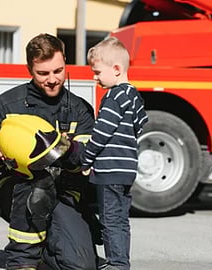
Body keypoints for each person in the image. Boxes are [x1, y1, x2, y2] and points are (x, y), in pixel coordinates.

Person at [0, 33, 101, 270]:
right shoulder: (8, 103)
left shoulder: (80, 109)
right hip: (15, 189)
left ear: (65, 63)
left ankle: (50, 248)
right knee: (36, 182)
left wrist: (62, 147)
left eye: (58, 71)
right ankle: (22, 261)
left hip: (63, 192)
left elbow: (84, 161)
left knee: (81, 266)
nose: (52, 79)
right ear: (29, 69)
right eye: (43, 73)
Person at [80, 37, 148, 270]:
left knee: (109, 220)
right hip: (127, 168)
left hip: (109, 170)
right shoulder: (134, 95)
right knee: (121, 220)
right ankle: (122, 261)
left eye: (97, 72)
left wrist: (86, 159)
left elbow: (101, 132)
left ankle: (116, 264)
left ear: (116, 69)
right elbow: (141, 125)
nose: (94, 77)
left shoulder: (113, 97)